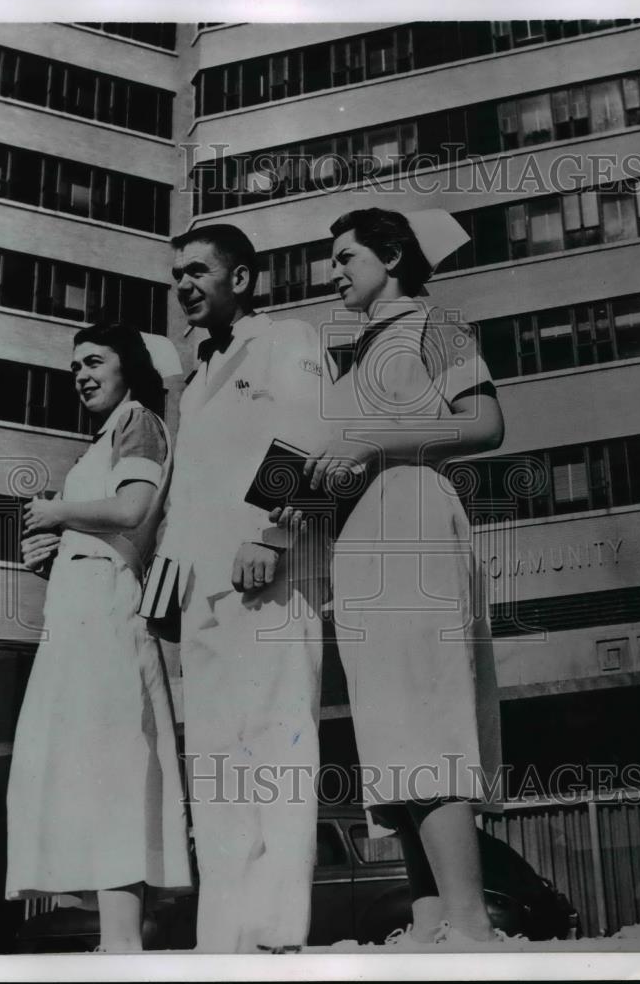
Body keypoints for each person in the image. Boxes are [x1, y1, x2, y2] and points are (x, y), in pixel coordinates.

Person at [280, 207, 506, 947]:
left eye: (346, 256)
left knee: (425, 718)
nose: (333, 271)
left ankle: (469, 922)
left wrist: (374, 443)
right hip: (359, 539)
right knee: (389, 731)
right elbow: (323, 466)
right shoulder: (351, 358)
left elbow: (483, 425)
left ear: (393, 256)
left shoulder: (437, 325)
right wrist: (274, 516)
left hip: (411, 518)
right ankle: (429, 917)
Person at [158, 224, 327, 953]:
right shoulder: (196, 376)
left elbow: (310, 434)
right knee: (218, 763)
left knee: (276, 750)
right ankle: (224, 935)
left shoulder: (287, 339)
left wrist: (273, 535)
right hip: (201, 598)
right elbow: (184, 495)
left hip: (270, 575)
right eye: (177, 276)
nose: (185, 285)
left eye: (198, 271)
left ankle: (274, 932)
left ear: (243, 278)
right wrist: (163, 596)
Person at [6, 324, 191, 953]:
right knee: (84, 767)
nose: (81, 374)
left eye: (94, 361)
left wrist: (59, 514)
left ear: (127, 368)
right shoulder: (101, 441)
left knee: (115, 766)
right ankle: (117, 937)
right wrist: (55, 549)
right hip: (78, 612)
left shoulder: (140, 422)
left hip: (110, 611)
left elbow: (134, 509)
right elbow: (102, 521)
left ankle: (123, 943)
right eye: (75, 366)